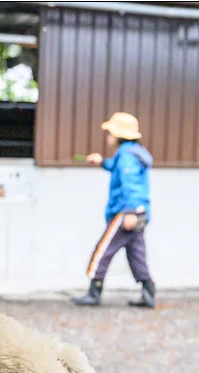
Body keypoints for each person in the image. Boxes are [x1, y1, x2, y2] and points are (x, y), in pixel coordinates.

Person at [73, 112, 156, 308]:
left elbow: (130, 184)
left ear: (120, 135)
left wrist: (129, 212)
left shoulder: (126, 156)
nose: (108, 136)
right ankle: (148, 292)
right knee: (136, 253)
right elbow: (118, 169)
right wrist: (102, 161)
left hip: (126, 212)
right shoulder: (132, 152)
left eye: (110, 132)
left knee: (103, 250)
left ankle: (94, 292)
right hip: (139, 211)